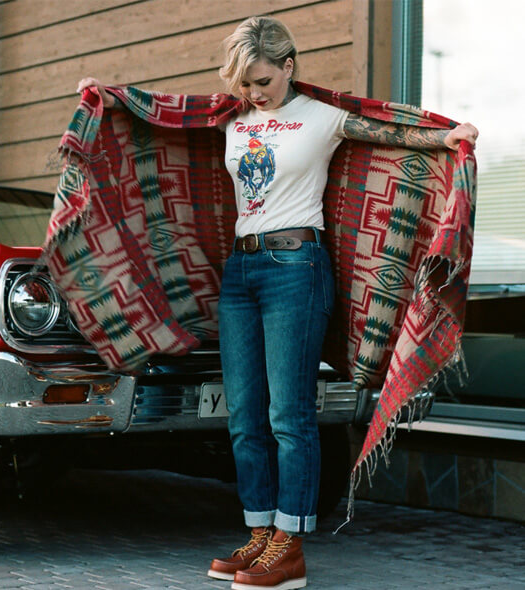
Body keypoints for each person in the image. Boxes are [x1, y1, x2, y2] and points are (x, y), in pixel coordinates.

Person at [77, 15, 477, 590]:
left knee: (289, 414)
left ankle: (290, 547)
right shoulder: (232, 119)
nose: (253, 93)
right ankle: (260, 534)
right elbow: (160, 113)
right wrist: (105, 99)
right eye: (244, 83)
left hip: (298, 267)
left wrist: (447, 137)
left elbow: (388, 132)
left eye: (262, 80)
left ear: (288, 66)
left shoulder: (323, 116)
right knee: (243, 416)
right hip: (241, 271)